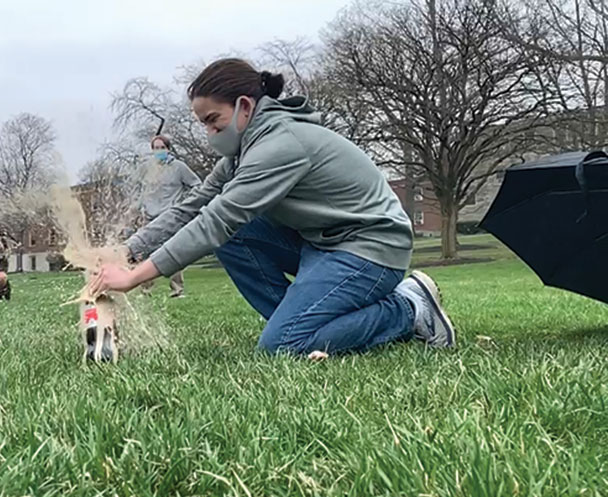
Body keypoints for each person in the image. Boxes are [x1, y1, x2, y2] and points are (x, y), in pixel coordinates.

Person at [91, 58, 455, 356]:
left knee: (281, 345)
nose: (209, 133)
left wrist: (135, 277)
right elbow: (194, 206)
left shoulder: (280, 145)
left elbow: (218, 220)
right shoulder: (244, 151)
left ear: (244, 107)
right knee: (236, 241)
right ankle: (301, 324)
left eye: (213, 121)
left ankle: (410, 309)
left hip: (370, 250)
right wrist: (128, 250)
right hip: (322, 245)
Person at [137, 135, 202, 298]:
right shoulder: (146, 168)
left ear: (168, 149)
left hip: (170, 216)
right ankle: (145, 290)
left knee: (173, 252)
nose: (158, 151)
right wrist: (140, 208)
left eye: (162, 147)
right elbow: (138, 188)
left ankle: (177, 290)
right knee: (145, 254)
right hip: (150, 217)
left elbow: (197, 185)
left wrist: (184, 203)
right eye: (155, 148)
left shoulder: (179, 167)